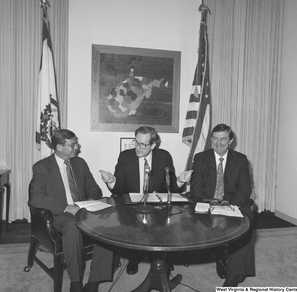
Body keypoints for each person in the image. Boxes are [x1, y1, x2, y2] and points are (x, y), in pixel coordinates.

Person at [100, 126, 192, 275]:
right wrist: (111, 181)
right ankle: (134, 257)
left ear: (153, 145)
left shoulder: (164, 157)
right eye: (136, 142)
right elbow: (118, 190)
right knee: (134, 227)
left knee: (163, 227)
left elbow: (171, 188)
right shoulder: (125, 156)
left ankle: (162, 259)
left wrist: (180, 180)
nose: (138, 147)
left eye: (143, 144)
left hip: (158, 205)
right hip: (132, 205)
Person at [29, 129, 113, 292]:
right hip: (59, 214)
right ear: (59, 147)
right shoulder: (42, 167)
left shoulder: (80, 163)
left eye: (76, 143)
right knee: (73, 226)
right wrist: (67, 207)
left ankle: (94, 281)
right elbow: (36, 198)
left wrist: (91, 200)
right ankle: (76, 281)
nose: (77, 147)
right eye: (73, 144)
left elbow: (93, 187)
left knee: (107, 225)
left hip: (82, 209)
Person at [190, 123, 255, 287]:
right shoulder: (200, 158)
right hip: (208, 204)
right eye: (215, 139)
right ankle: (218, 252)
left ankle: (231, 281)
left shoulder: (240, 159)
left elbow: (245, 188)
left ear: (231, 140)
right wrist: (214, 207)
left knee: (244, 227)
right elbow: (196, 190)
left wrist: (228, 207)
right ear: (211, 139)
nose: (219, 143)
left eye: (223, 139)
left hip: (234, 204)